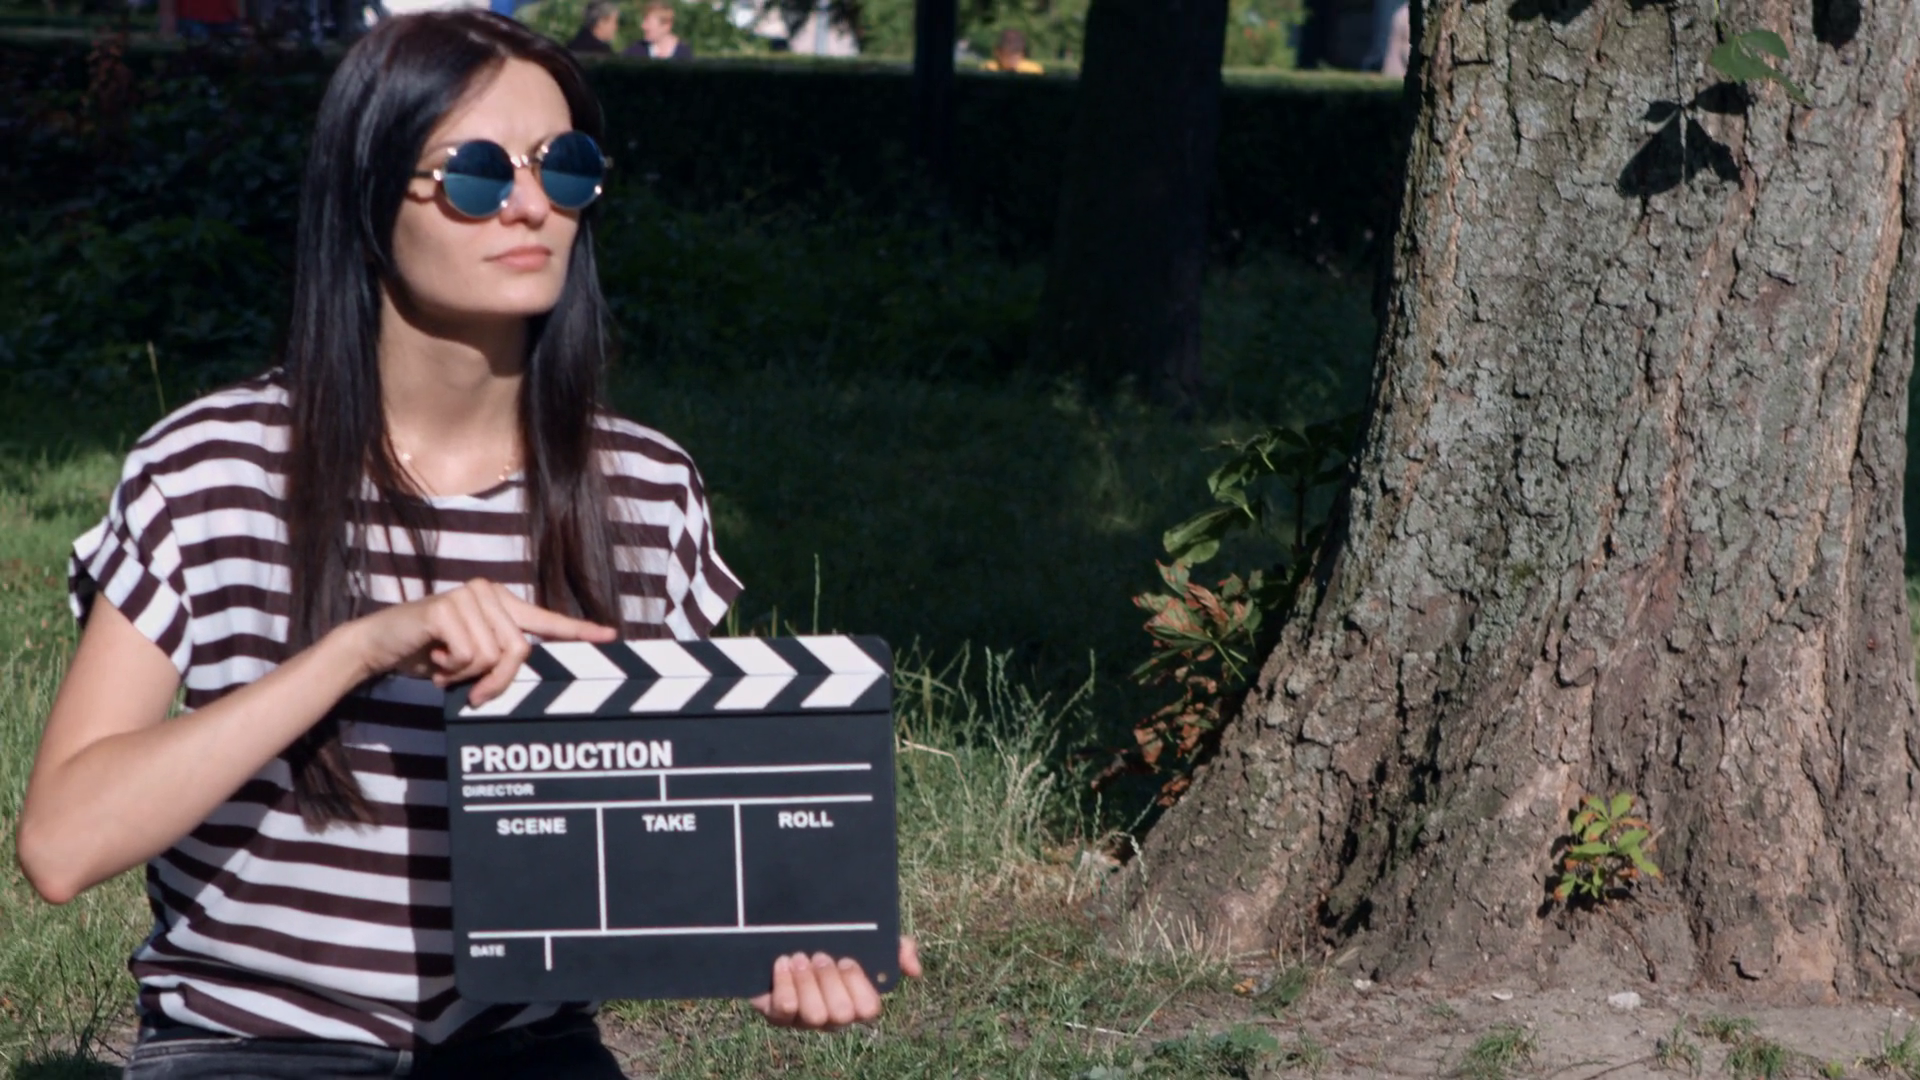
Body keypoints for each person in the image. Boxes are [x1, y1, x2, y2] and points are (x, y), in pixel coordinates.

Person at [15, 13, 919, 1079]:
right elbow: (62, 845)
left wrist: (777, 937)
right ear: (367, 198)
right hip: (250, 1043)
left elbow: (682, 826)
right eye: (478, 174)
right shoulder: (211, 469)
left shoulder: (645, 492)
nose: (532, 205)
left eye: (563, 165)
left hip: (524, 1045)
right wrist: (357, 649)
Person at [623, 0, 692, 59]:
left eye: (648, 22)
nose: (643, 26)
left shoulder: (684, 55)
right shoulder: (635, 52)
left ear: (666, 25)